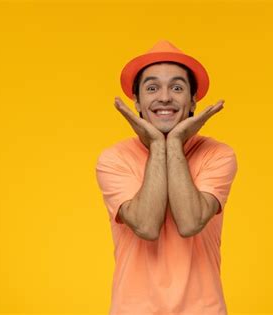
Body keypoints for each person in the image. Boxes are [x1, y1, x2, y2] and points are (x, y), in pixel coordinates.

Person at [95, 40, 238, 315]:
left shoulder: (218, 155)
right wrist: (158, 146)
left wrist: (173, 144)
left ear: (193, 100)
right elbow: (147, 226)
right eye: (151, 88)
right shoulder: (114, 159)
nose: (164, 97)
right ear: (136, 101)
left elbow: (190, 221)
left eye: (177, 87)